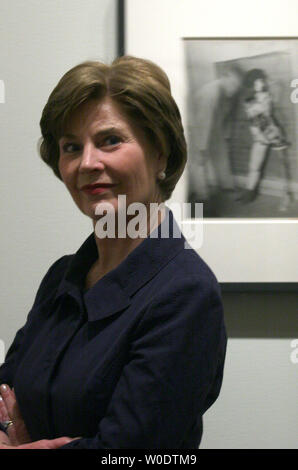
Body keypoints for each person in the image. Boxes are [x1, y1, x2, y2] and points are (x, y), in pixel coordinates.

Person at [0, 56, 227, 449]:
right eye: (71, 147)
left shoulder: (186, 293)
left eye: (110, 140)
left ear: (161, 153)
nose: (87, 163)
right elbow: (6, 392)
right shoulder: (62, 277)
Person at [188, 63, 243, 214]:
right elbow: (202, 122)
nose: (234, 89)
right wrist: (201, 147)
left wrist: (226, 135)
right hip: (196, 127)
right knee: (199, 163)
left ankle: (227, 187)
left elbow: (222, 117)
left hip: (213, 125)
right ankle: (203, 200)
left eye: (237, 87)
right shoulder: (210, 93)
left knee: (221, 154)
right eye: (232, 84)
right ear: (224, 78)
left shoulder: (227, 94)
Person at [238, 68, 293, 208]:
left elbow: (266, 117)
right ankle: (249, 193)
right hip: (260, 137)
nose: (260, 83)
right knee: (254, 166)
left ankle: (286, 197)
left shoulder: (266, 95)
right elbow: (254, 120)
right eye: (257, 82)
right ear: (251, 84)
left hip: (273, 133)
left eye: (261, 81)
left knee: (283, 168)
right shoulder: (248, 100)